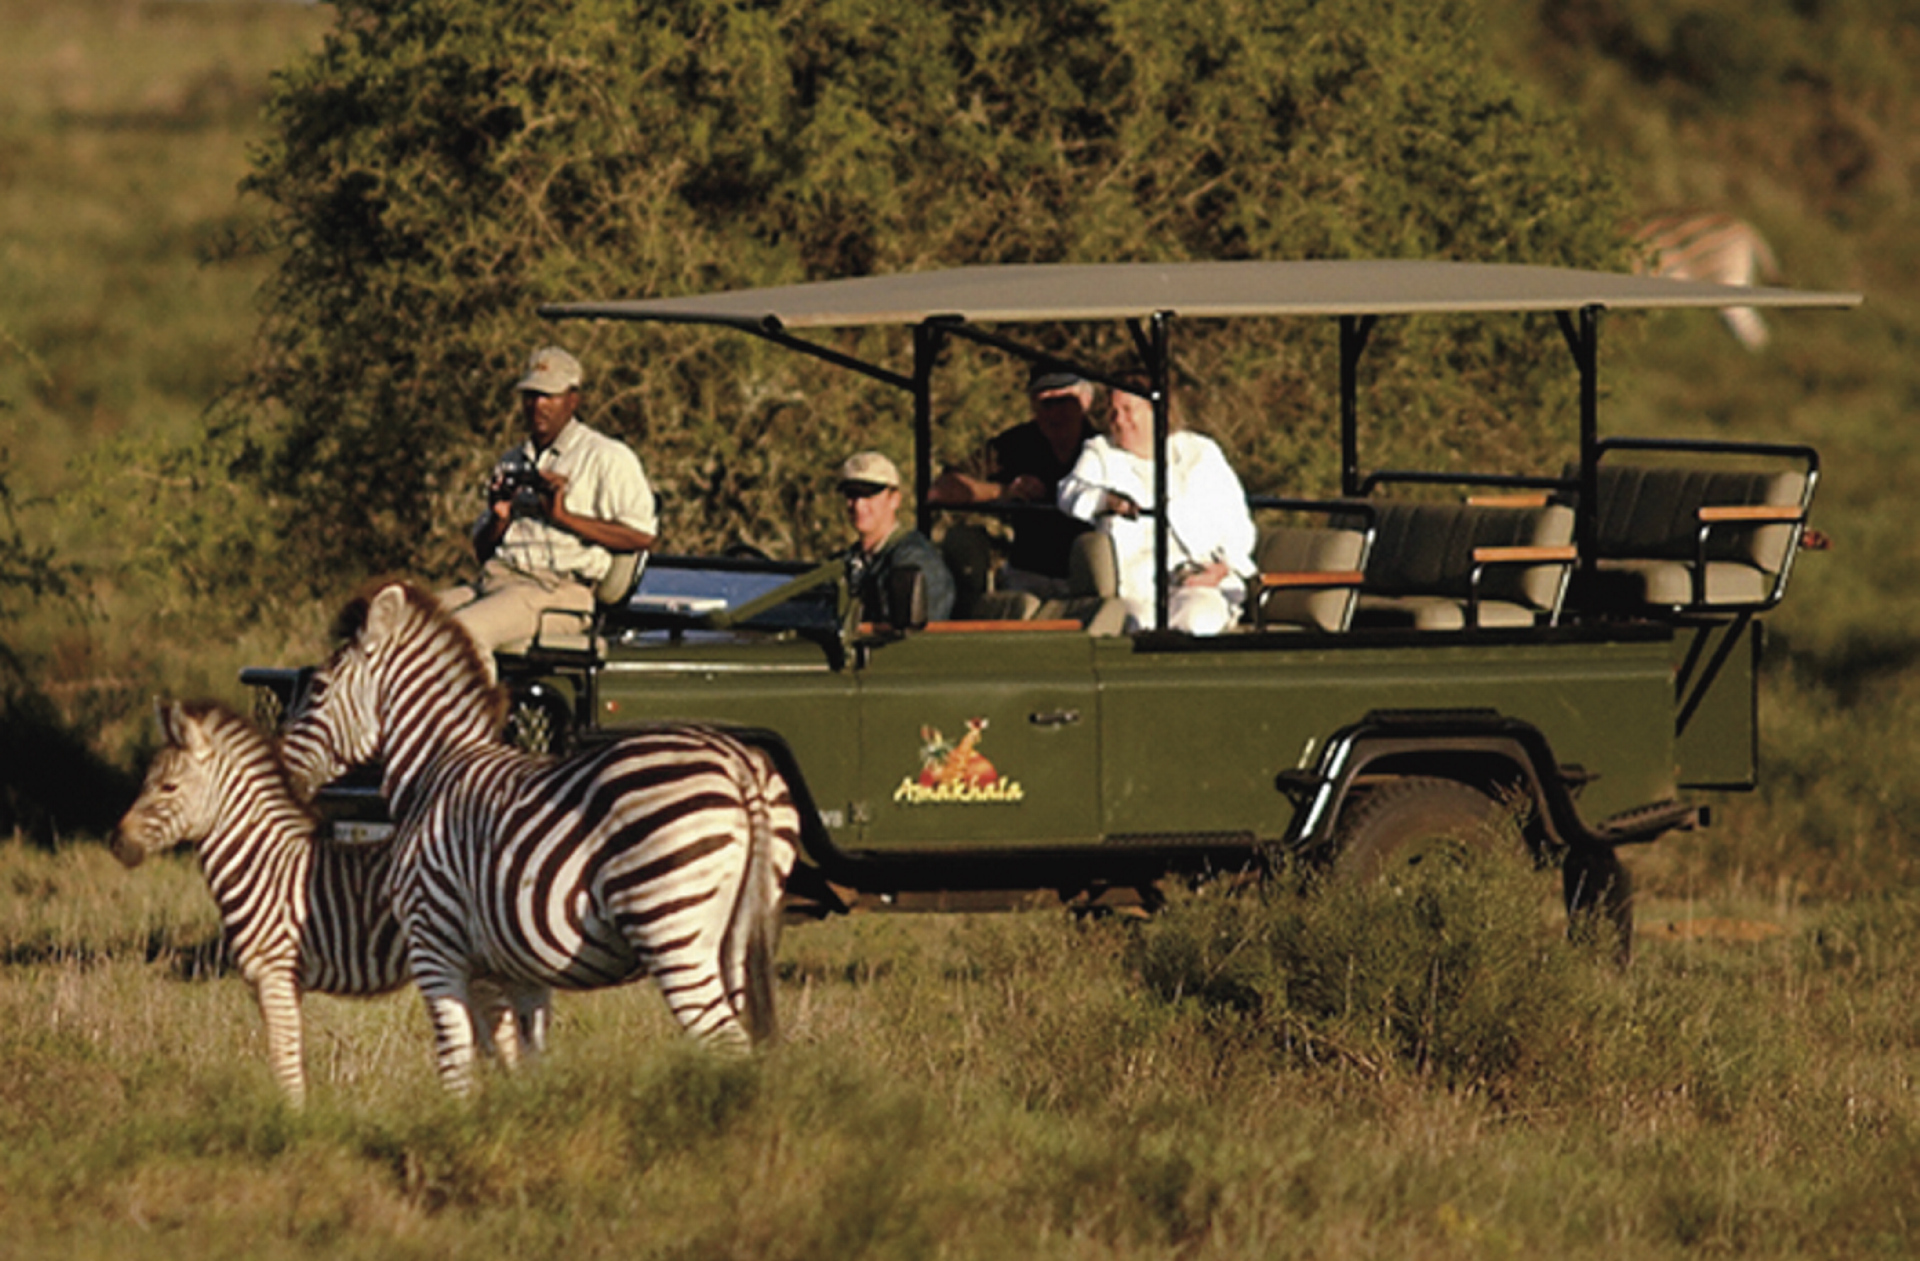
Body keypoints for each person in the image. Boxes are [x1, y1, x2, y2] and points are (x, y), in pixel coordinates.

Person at [439, 346, 658, 658]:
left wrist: (564, 517)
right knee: (396, 624)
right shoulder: (513, 459)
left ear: (573, 399)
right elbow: (482, 551)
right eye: (530, 396)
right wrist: (500, 516)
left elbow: (641, 537)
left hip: (557, 592)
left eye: (548, 396)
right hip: (496, 581)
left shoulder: (606, 456)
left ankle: (474, 692)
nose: (537, 405)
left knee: (461, 635)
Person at [1056, 381, 1256, 634]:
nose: (1119, 420)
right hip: (1137, 589)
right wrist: (1106, 501)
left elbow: (1238, 525)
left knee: (1198, 620)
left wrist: (1222, 569)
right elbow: (1069, 493)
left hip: (1198, 585)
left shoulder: (1200, 453)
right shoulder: (1101, 453)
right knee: (1136, 625)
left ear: (1158, 412)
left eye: (1128, 410)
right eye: (1113, 412)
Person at [927, 362, 1097, 596]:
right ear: (1033, 406)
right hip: (1027, 580)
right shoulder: (1015, 445)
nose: (1055, 413)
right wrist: (1004, 491)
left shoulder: (1105, 448)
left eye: (1065, 402)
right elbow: (940, 490)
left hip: (1089, 581)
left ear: (1086, 401)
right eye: (1046, 404)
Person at [838, 450, 955, 625]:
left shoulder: (916, 561)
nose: (859, 505)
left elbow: (921, 633)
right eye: (851, 494)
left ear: (895, 499)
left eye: (869, 494)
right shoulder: (849, 561)